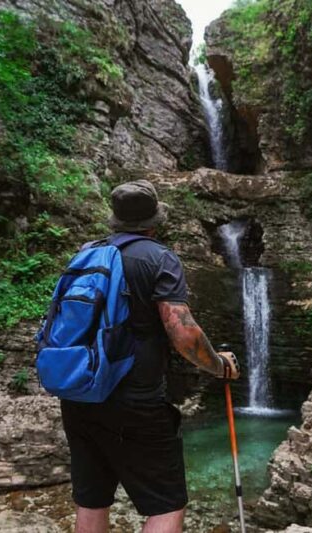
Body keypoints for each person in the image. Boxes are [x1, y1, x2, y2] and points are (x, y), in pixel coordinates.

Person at [60, 180, 241, 533]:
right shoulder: (159, 257)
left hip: (80, 395)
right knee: (166, 505)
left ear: (115, 219)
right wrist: (219, 366)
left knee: (92, 501)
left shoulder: (87, 253)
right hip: (136, 400)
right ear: (154, 222)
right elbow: (182, 331)